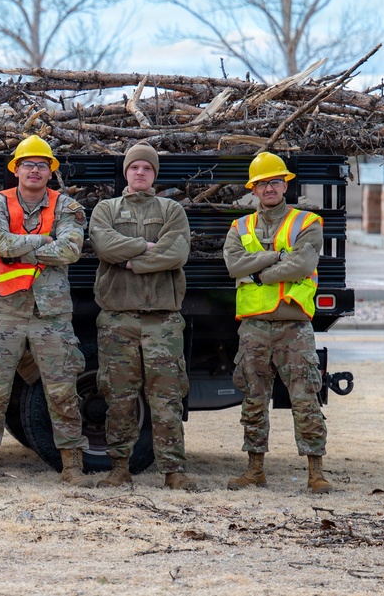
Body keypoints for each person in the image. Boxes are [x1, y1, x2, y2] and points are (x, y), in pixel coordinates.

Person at [0, 135, 93, 487]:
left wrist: (20, 250)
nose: (34, 170)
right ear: (16, 170)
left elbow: (72, 250)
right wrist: (44, 241)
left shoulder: (67, 206)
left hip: (52, 313)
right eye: (28, 164)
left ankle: (73, 467)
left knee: (62, 391)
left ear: (51, 172)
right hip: (7, 309)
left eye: (42, 165)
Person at [87, 142, 199, 491]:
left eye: (147, 169)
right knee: (118, 396)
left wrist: (131, 260)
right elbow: (103, 245)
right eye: (134, 167)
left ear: (154, 175)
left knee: (166, 397)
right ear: (126, 172)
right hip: (117, 318)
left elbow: (177, 251)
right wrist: (147, 246)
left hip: (162, 320)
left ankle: (173, 471)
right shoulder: (106, 209)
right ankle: (119, 467)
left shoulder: (171, 210)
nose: (140, 173)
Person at [221, 151, 333, 494]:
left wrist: (260, 274)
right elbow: (234, 266)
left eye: (275, 181)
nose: (269, 188)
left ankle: (316, 472)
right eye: (262, 183)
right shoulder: (240, 226)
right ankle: (255, 469)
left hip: (293, 325)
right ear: (253, 189)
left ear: (285, 184)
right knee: (253, 399)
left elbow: (302, 265)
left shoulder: (307, 222)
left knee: (305, 398)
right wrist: (276, 257)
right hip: (254, 327)